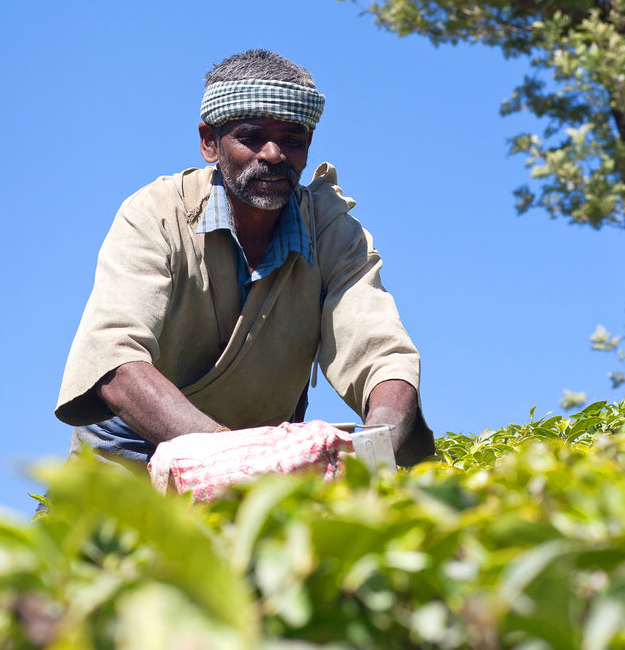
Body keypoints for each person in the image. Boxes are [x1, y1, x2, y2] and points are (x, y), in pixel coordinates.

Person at [55, 49, 435, 466]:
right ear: (209, 142)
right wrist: (234, 456)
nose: (273, 154)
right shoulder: (156, 214)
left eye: (292, 140)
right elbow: (115, 356)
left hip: (269, 452)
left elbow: (381, 353)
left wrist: (374, 452)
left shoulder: (331, 230)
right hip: (132, 444)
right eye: (251, 136)